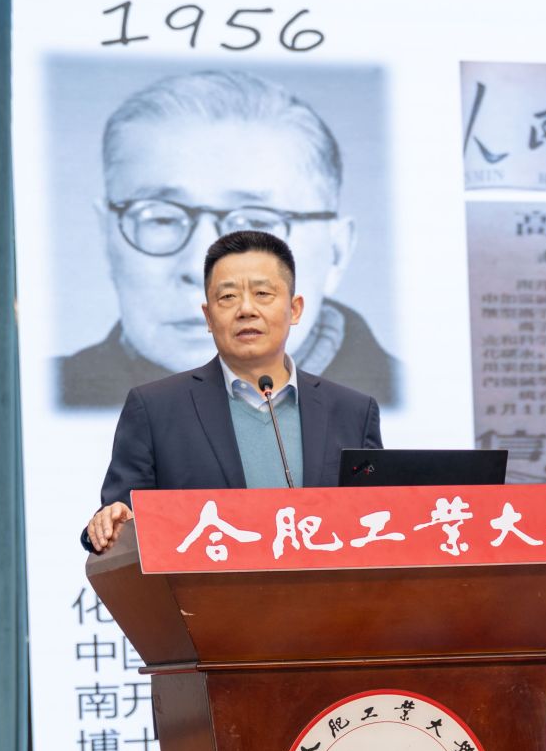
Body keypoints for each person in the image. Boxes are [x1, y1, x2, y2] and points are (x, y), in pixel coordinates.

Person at [58, 69, 403, 410]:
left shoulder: (417, 406)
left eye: (255, 222)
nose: (201, 271)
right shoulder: (45, 399)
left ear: (337, 253)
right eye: (161, 219)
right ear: (106, 237)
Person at [82, 230, 383, 554]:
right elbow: (119, 522)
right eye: (227, 297)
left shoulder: (352, 413)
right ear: (208, 316)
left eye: (263, 293)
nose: (246, 309)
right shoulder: (155, 410)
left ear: (295, 309)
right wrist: (111, 523)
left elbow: (380, 519)